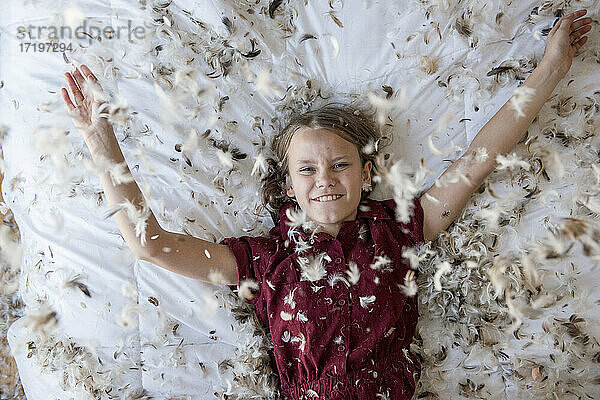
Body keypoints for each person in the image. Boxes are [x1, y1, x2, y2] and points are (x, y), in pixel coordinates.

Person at [60, 10, 592, 399]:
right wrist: (99, 141)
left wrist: (550, 67)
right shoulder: (265, 261)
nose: (326, 182)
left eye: (340, 166)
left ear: (366, 174)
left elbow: (478, 160)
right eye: (307, 170)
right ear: (289, 185)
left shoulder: (398, 230)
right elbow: (149, 246)